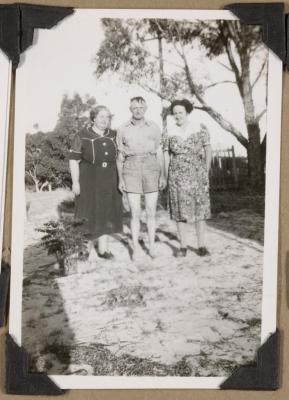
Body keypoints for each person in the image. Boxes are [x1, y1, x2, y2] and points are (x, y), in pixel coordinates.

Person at [68, 105, 123, 260]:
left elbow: (120, 157)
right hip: (88, 179)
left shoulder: (114, 135)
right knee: (87, 211)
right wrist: (75, 182)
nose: (104, 120)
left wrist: (121, 180)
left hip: (110, 178)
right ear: (93, 118)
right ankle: (84, 250)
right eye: (101, 116)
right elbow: (73, 161)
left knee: (106, 211)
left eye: (107, 117)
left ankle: (103, 250)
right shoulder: (82, 135)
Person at [116, 96, 166, 260]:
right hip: (131, 168)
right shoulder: (123, 128)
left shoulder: (154, 127)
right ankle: (136, 249)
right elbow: (119, 157)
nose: (138, 110)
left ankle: (152, 247)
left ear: (146, 109)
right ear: (130, 109)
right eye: (135, 107)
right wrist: (120, 179)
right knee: (135, 212)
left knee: (151, 211)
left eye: (141, 107)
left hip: (151, 167)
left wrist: (162, 175)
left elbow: (159, 153)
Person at [164, 99, 212, 257]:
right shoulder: (169, 130)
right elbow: (166, 154)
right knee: (180, 211)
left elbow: (207, 148)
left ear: (187, 112)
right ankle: (183, 246)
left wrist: (206, 169)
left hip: (197, 173)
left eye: (181, 112)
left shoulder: (199, 128)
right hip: (177, 175)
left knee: (200, 210)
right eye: (175, 113)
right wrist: (166, 174)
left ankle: (202, 245)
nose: (177, 115)